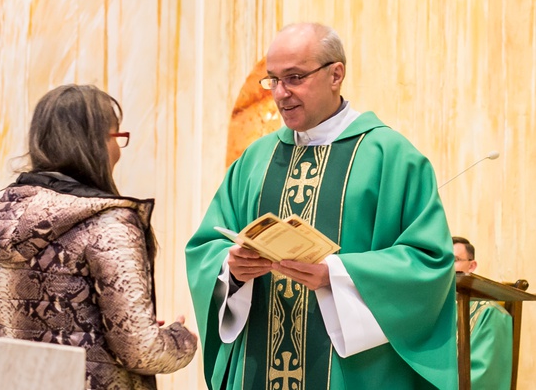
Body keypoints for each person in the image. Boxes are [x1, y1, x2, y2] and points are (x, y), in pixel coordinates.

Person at [186, 22, 457, 390]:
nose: (280, 94)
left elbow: (430, 262)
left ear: (336, 74)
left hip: (354, 374)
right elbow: (206, 247)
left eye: (294, 77)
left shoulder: (391, 157)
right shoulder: (255, 159)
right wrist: (232, 269)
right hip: (257, 367)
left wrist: (337, 274)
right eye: (273, 80)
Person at [0, 84, 197, 389]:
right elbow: (141, 352)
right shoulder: (110, 223)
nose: (118, 151)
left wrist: (130, 327)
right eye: (117, 137)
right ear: (96, 144)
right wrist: (179, 339)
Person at [453, 236, 513, 390]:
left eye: (454, 259)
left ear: (471, 266)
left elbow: (484, 377)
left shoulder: (490, 313)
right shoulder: (435, 309)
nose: (446, 267)